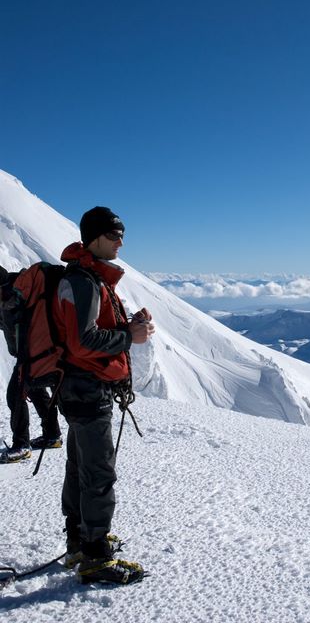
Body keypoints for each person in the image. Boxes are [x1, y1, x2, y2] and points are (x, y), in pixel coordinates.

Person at [53, 206, 154, 585]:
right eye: (114, 235)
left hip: (77, 387)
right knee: (98, 472)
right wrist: (131, 336)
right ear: (93, 237)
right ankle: (95, 557)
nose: (120, 241)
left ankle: (80, 541)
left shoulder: (88, 277)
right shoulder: (84, 281)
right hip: (85, 387)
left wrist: (129, 327)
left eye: (122, 234)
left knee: (80, 467)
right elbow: (83, 341)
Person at [0, 266, 62, 464]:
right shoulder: (7, 298)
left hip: (35, 355)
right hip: (33, 355)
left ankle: (21, 445)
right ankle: (52, 436)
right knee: (36, 391)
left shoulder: (18, 297)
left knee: (15, 394)